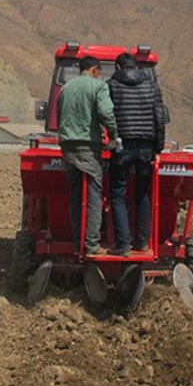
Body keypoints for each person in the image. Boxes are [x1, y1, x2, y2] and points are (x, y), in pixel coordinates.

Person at [57, 56, 119, 256]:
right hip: (88, 148)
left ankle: (78, 244)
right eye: (99, 72)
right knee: (93, 195)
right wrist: (113, 135)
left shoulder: (66, 88)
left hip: (68, 147)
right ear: (94, 70)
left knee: (75, 196)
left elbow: (60, 115)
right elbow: (106, 112)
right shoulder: (98, 86)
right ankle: (91, 245)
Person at [108, 52, 166, 254]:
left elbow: (106, 114)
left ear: (117, 67)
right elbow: (159, 117)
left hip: (122, 145)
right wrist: (158, 148)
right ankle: (142, 242)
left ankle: (123, 244)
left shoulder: (111, 85)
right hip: (146, 147)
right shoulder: (151, 86)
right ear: (137, 67)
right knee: (142, 194)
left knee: (118, 194)